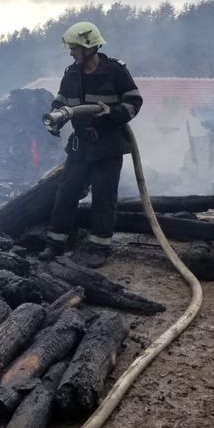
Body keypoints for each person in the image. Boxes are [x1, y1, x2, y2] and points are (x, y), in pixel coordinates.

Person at [39, 21, 143, 268]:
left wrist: (110, 114)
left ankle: (99, 247)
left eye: (75, 48)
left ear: (89, 47)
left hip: (108, 145)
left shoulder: (115, 71)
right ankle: (55, 242)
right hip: (80, 145)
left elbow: (134, 102)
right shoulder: (71, 73)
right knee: (66, 192)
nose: (72, 53)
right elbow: (62, 101)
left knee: (104, 196)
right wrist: (56, 120)